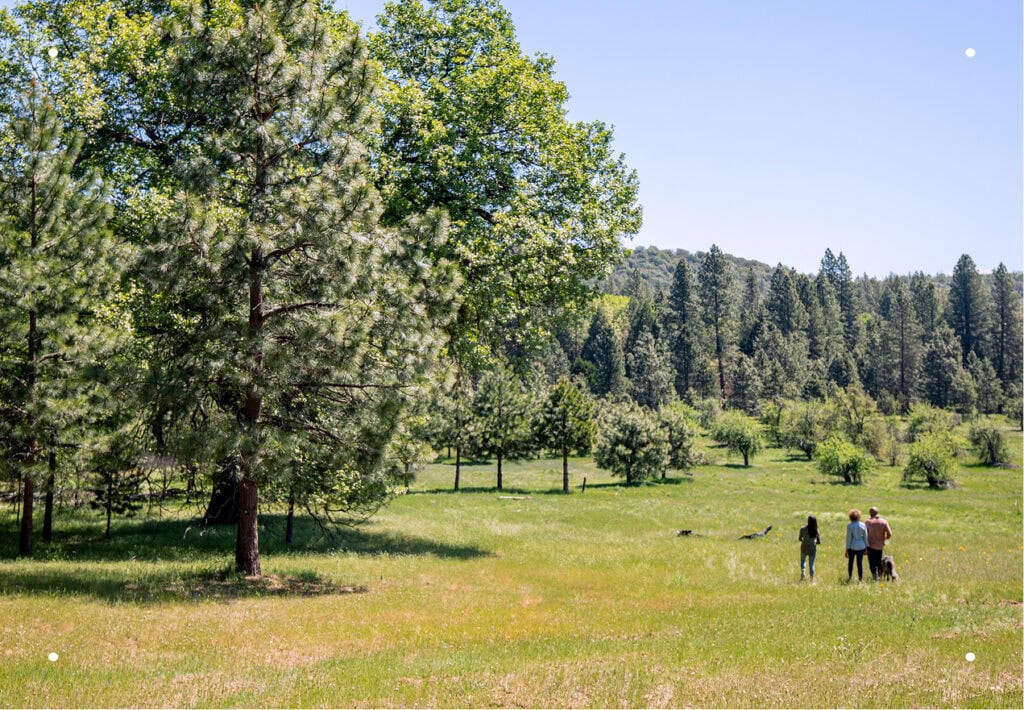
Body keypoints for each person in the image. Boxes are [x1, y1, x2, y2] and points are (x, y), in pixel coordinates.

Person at [865, 506, 893, 580]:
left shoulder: (868, 522)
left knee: (872, 563)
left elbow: (865, 534)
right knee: (879, 561)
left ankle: (875, 576)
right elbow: (889, 533)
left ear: (870, 513)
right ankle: (879, 575)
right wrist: (884, 540)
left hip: (870, 545)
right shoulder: (883, 521)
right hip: (880, 545)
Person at [845, 509, 868, 582]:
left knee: (850, 562)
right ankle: (860, 578)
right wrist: (866, 547)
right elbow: (865, 537)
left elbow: (848, 538)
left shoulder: (849, 526)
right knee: (859, 563)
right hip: (861, 546)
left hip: (852, 546)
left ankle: (850, 576)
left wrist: (847, 549)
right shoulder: (863, 525)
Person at [798, 515, 820, 582]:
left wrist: (804, 540)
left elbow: (800, 538)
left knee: (803, 560)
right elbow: (819, 541)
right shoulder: (816, 530)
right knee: (811, 564)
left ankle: (803, 573)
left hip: (804, 547)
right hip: (812, 549)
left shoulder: (802, 529)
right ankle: (812, 579)